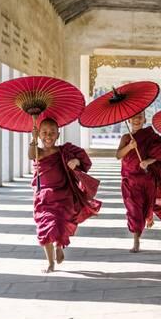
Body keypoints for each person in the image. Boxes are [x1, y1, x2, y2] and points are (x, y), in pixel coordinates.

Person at [29, 117, 101, 273]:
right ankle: (50, 262)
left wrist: (75, 161)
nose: (48, 136)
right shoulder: (38, 151)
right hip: (44, 197)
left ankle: (59, 246)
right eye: (44, 133)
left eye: (52, 133)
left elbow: (84, 160)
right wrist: (32, 139)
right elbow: (30, 155)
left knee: (60, 224)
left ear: (58, 135)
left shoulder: (64, 151)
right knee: (45, 228)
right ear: (39, 135)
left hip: (63, 194)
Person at [116, 111, 161, 253]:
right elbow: (118, 155)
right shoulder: (125, 137)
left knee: (145, 206)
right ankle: (136, 241)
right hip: (130, 180)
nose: (136, 119)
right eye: (133, 117)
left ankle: (148, 215)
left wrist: (148, 161)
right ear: (129, 120)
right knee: (134, 210)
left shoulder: (150, 136)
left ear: (144, 119)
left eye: (140, 117)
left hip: (147, 179)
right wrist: (129, 146)